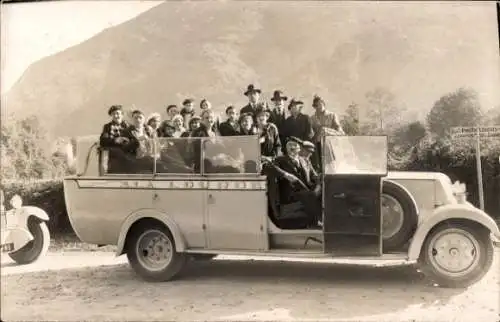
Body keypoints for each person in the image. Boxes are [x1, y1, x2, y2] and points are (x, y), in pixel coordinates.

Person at [271, 136, 322, 228]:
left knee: (324, 192)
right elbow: (270, 168)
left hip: (306, 192)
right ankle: (315, 222)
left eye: (294, 145)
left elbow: (314, 176)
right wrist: (285, 174)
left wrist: (318, 185)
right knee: (311, 195)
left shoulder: (305, 160)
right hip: (291, 194)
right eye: (289, 145)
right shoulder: (280, 160)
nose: (291, 147)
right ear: (286, 148)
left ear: (299, 148)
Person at [310, 95, 344, 170]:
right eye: (316, 105)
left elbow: (341, 133)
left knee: (332, 169)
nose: (319, 106)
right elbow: (310, 135)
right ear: (314, 107)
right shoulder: (312, 118)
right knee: (319, 170)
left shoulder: (331, 115)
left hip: (330, 146)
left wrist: (327, 131)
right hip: (317, 148)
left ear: (324, 104)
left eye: (320, 103)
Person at [99, 105, 131, 173]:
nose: (116, 116)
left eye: (118, 113)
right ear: (111, 116)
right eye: (114, 114)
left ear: (122, 115)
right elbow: (103, 141)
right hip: (114, 154)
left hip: (127, 154)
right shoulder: (107, 127)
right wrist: (115, 140)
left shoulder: (128, 126)